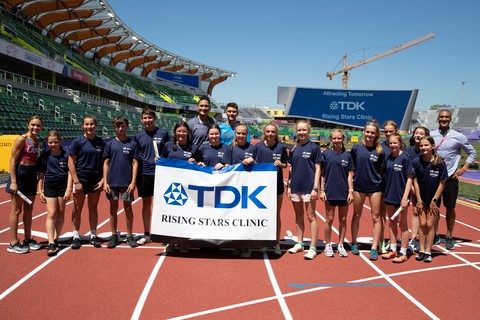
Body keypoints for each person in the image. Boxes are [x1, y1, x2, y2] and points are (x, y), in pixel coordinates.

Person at [431, 109, 477, 250]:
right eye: (441, 117)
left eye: (447, 117)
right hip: (434, 177)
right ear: (438, 119)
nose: (444, 119)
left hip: (451, 177)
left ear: (450, 119)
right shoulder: (431, 135)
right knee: (434, 208)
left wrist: (463, 169)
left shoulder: (458, 136)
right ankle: (435, 235)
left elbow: (472, 152)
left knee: (450, 208)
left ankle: (449, 236)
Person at [6, 116, 43, 254]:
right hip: (20, 176)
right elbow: (12, 160)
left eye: (38, 126)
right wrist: (14, 181)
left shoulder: (37, 140)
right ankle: (13, 242)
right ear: (28, 125)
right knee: (16, 210)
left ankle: (28, 239)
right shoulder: (22, 139)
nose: (35, 128)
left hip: (30, 176)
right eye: (33, 125)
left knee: (29, 208)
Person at [350, 119, 385, 260]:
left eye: (372, 132)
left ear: (376, 134)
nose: (369, 134)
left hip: (375, 187)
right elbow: (352, 167)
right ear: (364, 132)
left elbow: (381, 170)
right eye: (367, 131)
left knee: (376, 217)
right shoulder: (356, 148)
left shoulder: (380, 150)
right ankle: (353, 242)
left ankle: (374, 247)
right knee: (357, 214)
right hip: (359, 186)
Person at [134, 108, 170, 245]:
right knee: (146, 204)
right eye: (144, 118)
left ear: (154, 118)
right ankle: (147, 233)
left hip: (161, 173)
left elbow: (168, 151)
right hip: (145, 174)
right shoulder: (138, 136)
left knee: (163, 204)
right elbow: (136, 157)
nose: (147, 121)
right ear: (142, 120)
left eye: (149, 118)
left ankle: (164, 233)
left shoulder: (163, 133)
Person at [68, 115, 105, 249]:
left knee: (93, 208)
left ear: (96, 126)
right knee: (77, 208)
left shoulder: (101, 142)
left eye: (92, 124)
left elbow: (104, 163)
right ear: (82, 126)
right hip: (81, 179)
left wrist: (102, 180)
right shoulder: (78, 142)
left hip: (95, 180)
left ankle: (93, 235)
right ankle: (76, 236)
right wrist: (76, 181)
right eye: (87, 124)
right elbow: (71, 162)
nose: (89, 127)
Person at [286, 120, 321, 260]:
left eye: (304, 130)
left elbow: (318, 168)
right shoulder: (293, 147)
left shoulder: (314, 147)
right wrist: (289, 185)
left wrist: (315, 187)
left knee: (311, 216)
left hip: (309, 187)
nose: (301, 132)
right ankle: (300, 243)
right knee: (298, 216)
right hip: (295, 186)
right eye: (299, 130)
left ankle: (313, 247)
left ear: (308, 131)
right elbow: (291, 168)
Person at [163, 121, 200, 253]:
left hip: (188, 187)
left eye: (184, 131)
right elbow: (162, 161)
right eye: (179, 131)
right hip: (171, 186)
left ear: (188, 133)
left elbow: (200, 166)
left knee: (185, 215)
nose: (181, 134)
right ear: (175, 132)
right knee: (171, 215)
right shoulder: (168, 145)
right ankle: (171, 242)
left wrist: (195, 162)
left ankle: (184, 243)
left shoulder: (194, 148)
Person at [103, 116, 139, 249]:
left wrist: (133, 181)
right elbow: (105, 163)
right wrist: (105, 182)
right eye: (118, 126)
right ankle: (114, 235)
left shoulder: (132, 144)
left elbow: (135, 163)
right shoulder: (110, 144)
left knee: (128, 208)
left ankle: (129, 235)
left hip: (127, 182)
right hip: (112, 181)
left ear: (127, 127)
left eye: (122, 126)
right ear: (114, 127)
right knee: (113, 208)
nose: (120, 128)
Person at [319, 129, 354, 258]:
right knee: (329, 219)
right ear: (331, 139)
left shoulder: (348, 155)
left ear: (343, 139)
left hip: (343, 192)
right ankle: (328, 244)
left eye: (339, 138)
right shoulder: (326, 154)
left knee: (343, 219)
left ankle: (340, 244)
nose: (337, 141)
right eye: (334, 138)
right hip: (329, 191)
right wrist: (322, 190)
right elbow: (322, 174)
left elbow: (349, 175)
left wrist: (350, 191)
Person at [412, 136, 448, 263]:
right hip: (421, 198)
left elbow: (442, 183)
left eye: (426, 145)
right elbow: (415, 182)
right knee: (422, 224)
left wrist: (434, 200)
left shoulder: (439, 163)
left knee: (430, 224)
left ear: (432, 146)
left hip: (434, 199)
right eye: (421, 146)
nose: (423, 148)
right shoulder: (417, 161)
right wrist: (419, 199)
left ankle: (428, 251)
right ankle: (421, 250)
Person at [254, 123, 288, 256]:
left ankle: (277, 242)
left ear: (276, 133)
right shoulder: (258, 147)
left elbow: (285, 164)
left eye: (272, 131)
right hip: (262, 188)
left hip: (277, 186)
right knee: (262, 215)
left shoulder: (281, 147)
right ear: (264, 132)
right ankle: (263, 242)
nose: (270, 134)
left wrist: (281, 164)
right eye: (268, 131)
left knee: (276, 215)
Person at [37, 130, 72, 256]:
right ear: (47, 143)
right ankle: (51, 242)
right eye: (50, 142)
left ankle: (56, 238)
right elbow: (40, 175)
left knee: (61, 214)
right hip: (50, 186)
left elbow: (70, 173)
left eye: (55, 142)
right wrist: (39, 190)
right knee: (51, 213)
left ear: (60, 141)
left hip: (62, 186)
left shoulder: (66, 155)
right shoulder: (44, 156)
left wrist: (69, 189)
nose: (53, 144)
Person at [380, 133, 414, 263]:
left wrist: (405, 198)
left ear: (400, 143)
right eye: (390, 143)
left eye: (395, 143)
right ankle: (393, 249)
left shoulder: (405, 158)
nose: (393, 145)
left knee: (403, 224)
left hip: (401, 197)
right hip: (389, 194)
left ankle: (403, 252)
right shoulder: (388, 157)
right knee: (391, 222)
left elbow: (410, 179)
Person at [225, 124, 257, 258]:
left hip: (249, 187)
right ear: (235, 134)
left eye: (243, 134)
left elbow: (261, 164)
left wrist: (253, 160)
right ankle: (237, 245)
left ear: (247, 134)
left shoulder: (254, 148)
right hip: (234, 187)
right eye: (238, 133)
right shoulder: (230, 148)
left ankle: (247, 245)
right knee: (235, 217)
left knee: (246, 217)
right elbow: (227, 165)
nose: (241, 136)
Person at [405, 126, 430, 252]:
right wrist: (414, 190)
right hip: (410, 184)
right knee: (415, 211)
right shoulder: (408, 150)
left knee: (426, 214)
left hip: (424, 185)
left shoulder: (426, 150)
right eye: (416, 133)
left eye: (421, 133)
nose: (418, 135)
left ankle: (426, 238)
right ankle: (414, 238)